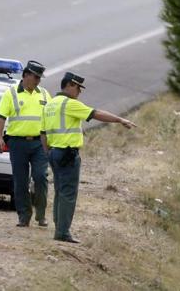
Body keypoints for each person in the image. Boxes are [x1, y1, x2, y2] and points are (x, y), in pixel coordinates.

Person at [41, 72, 136, 243]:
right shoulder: (69, 104)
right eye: (78, 88)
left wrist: (47, 152)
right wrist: (120, 119)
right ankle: (62, 232)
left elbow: (42, 133)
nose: (79, 92)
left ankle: (59, 227)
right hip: (67, 154)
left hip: (54, 152)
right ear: (69, 85)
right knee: (68, 193)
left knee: (59, 192)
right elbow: (96, 113)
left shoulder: (50, 104)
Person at [0, 61, 52, 227]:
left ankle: (41, 214)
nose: (38, 81)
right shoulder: (11, 93)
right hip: (17, 143)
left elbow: (52, 115)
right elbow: (0, 117)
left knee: (41, 177)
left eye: (40, 78)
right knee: (20, 181)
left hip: (39, 143)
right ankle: (24, 215)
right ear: (26, 75)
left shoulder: (44, 94)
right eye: (36, 77)